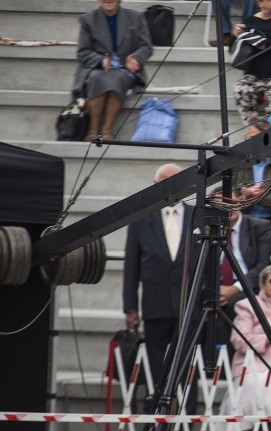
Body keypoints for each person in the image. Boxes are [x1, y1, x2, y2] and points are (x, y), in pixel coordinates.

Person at [123, 164, 198, 408]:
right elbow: (131, 266)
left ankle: (188, 414)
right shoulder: (141, 219)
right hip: (155, 302)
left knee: (187, 359)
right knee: (155, 359)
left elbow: (209, 266)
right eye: (166, 180)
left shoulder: (198, 215)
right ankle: (155, 411)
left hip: (188, 303)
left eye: (176, 180)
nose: (171, 185)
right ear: (155, 185)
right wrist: (130, 307)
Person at [224, 265, 271, 431]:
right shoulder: (248, 305)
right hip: (254, 363)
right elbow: (239, 340)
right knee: (258, 383)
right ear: (262, 285)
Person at [73, 0, 153, 142]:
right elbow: (83, 52)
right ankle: (93, 128)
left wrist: (135, 58)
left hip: (124, 69)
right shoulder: (88, 20)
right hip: (98, 68)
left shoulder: (136, 17)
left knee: (118, 78)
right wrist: (100, 60)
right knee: (97, 78)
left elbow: (146, 46)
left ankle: (107, 130)